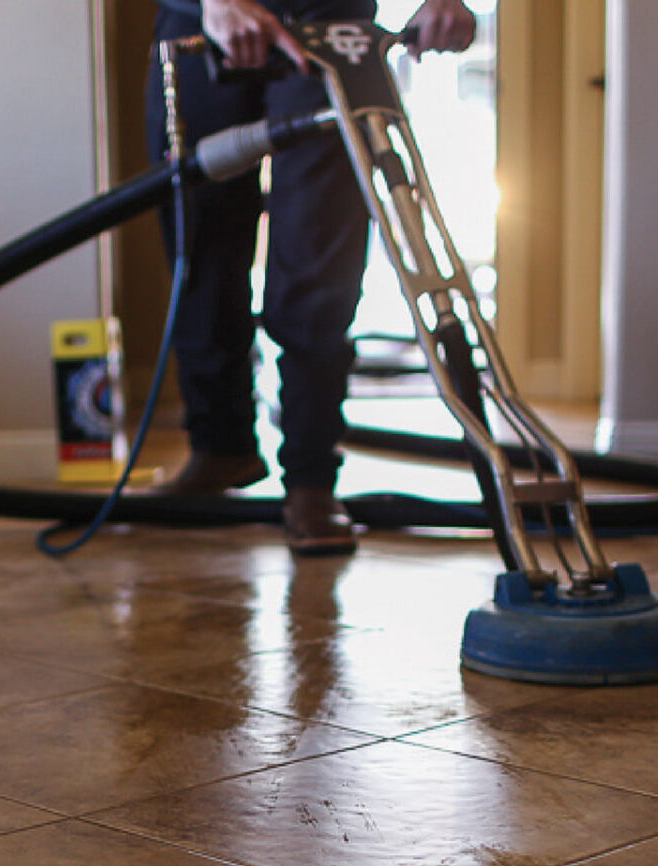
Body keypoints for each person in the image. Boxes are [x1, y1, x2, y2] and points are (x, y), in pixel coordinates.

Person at [147, 0, 476, 555]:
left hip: (330, 22)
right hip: (201, 26)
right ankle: (219, 446)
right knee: (200, 247)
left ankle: (310, 480)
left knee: (318, 255)